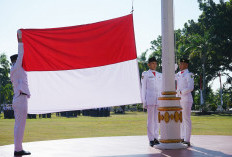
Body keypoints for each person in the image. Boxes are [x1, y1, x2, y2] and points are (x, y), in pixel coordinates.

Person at [10, 29, 31, 156]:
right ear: (16, 61)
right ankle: (18, 150)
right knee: (20, 126)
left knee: (18, 126)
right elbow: (21, 52)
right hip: (21, 98)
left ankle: (18, 148)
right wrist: (20, 39)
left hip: (18, 98)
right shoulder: (17, 67)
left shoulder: (14, 69)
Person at [141, 57, 162, 147]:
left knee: (157, 120)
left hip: (158, 99)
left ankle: (156, 138)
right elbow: (143, 88)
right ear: (149, 64)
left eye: (155, 63)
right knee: (150, 120)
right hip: (149, 99)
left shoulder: (159, 74)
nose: (154, 65)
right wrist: (143, 101)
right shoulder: (145, 74)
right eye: (153, 63)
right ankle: (151, 139)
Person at [176, 58, 194, 147]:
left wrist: (181, 92)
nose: (180, 65)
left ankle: (187, 139)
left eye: (182, 64)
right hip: (179, 99)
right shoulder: (179, 74)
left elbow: (191, 87)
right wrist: (173, 69)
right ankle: (182, 137)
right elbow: (170, 77)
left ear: (186, 65)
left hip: (186, 99)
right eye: (180, 64)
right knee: (181, 119)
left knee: (186, 119)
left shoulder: (189, 74)